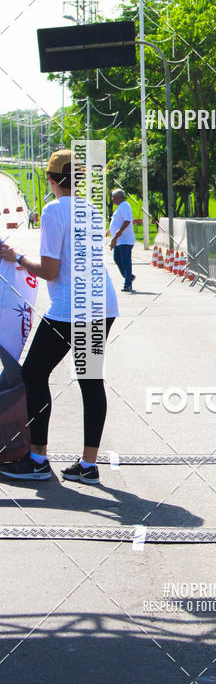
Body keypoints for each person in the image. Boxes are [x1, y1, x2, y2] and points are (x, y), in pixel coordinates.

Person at [0, 149, 119, 483]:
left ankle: (37, 458)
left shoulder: (54, 211)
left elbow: (50, 271)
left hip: (70, 308)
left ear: (51, 179)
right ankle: (88, 464)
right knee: (90, 380)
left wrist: (17, 256)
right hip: (102, 304)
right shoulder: (92, 209)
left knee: (33, 374)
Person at [108, 188, 135, 292]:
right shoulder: (120, 207)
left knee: (125, 261)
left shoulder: (125, 206)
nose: (112, 199)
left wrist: (120, 230)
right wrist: (109, 230)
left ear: (119, 197)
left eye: (113, 197)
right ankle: (129, 277)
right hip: (119, 240)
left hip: (125, 240)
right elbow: (118, 221)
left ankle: (128, 284)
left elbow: (127, 220)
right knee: (117, 259)